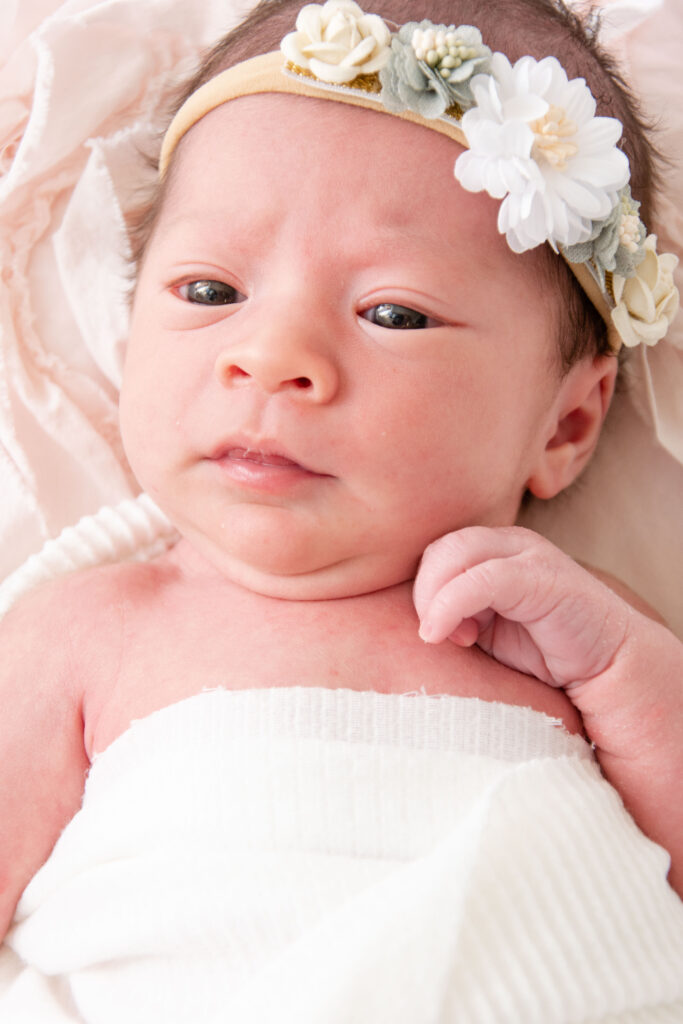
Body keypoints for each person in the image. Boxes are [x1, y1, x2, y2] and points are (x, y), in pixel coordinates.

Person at [1, 0, 682, 1019]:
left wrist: (633, 675)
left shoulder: (578, 644)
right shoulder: (89, 631)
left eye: (392, 313)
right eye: (207, 289)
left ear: (566, 424)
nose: (270, 356)